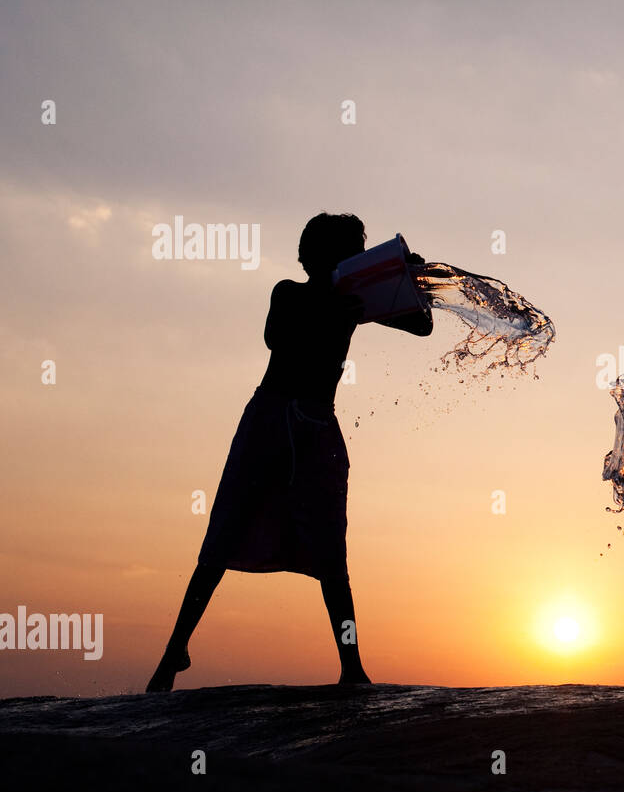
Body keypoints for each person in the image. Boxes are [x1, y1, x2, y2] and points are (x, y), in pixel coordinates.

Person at [147, 213, 433, 692]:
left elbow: (421, 327)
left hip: (317, 428)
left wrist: (408, 280)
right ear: (312, 257)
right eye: (346, 252)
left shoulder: (354, 298)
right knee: (222, 536)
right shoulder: (290, 293)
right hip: (268, 419)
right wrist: (349, 295)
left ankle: (352, 667)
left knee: (331, 555)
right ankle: (173, 651)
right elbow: (276, 338)